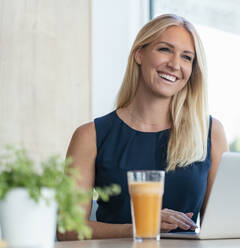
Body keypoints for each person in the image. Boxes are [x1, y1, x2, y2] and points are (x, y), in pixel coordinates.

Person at [57, 14, 229, 241]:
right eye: (165, 50)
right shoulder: (90, 136)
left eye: (187, 57)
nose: (175, 64)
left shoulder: (210, 133)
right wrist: (142, 226)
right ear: (139, 54)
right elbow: (67, 229)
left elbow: (223, 228)